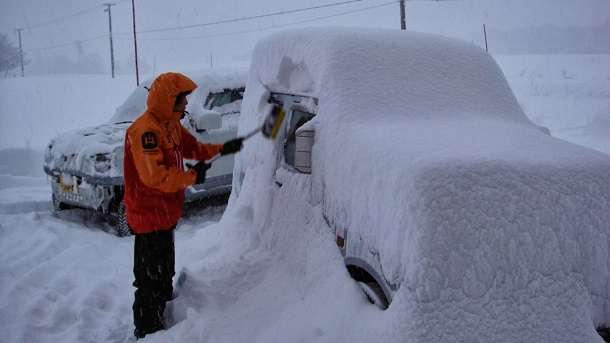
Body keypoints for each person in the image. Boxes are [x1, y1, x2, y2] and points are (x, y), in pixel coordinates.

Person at [123, 72, 243, 339]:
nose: (187, 105)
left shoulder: (171, 126)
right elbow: (154, 177)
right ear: (169, 100)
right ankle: (147, 330)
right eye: (183, 100)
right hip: (147, 216)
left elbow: (194, 149)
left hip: (165, 214)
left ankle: (163, 313)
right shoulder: (146, 131)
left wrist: (223, 149)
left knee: (164, 272)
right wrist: (191, 176)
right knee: (148, 279)